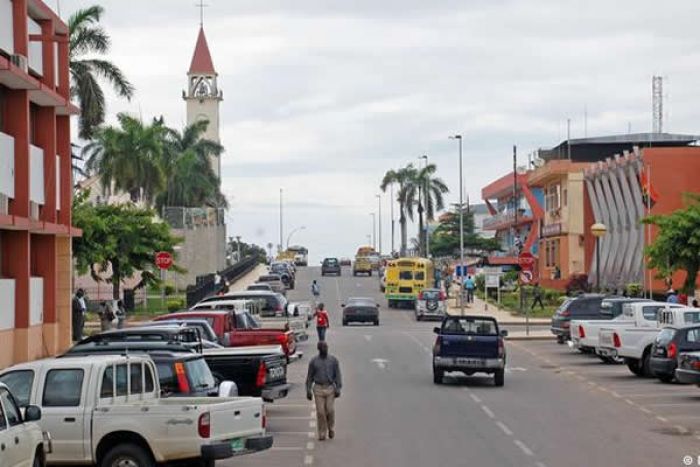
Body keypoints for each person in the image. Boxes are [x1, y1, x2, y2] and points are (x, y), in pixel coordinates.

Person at [306, 341, 342, 441]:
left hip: (330, 387)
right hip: (318, 388)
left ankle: (330, 428)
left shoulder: (333, 360)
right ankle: (322, 432)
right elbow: (309, 377)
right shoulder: (314, 361)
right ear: (319, 349)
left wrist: (338, 388)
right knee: (321, 412)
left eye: (326, 347)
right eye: (323, 348)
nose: (325, 349)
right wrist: (308, 390)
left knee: (330, 410)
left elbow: (337, 375)